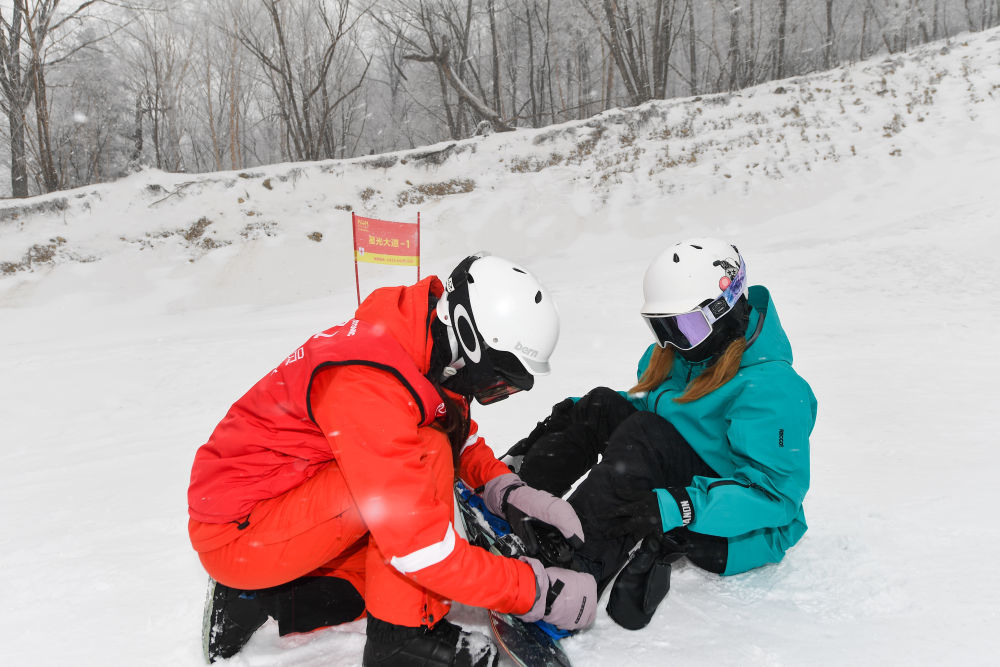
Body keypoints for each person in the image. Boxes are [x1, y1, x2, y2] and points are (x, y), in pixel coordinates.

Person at [187, 253, 597, 666]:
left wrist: (504, 488)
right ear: (470, 338)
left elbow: (452, 425)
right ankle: (401, 640)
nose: (496, 393)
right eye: (498, 380)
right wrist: (535, 592)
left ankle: (265, 594)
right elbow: (421, 549)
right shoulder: (367, 383)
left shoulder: (423, 342)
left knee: (377, 580)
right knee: (418, 492)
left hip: (278, 504)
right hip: (240, 532)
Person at [507, 238, 817, 630]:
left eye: (683, 327)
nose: (670, 342)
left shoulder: (773, 389)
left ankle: (572, 574)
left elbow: (775, 497)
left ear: (724, 309)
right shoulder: (690, 352)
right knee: (599, 405)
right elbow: (652, 408)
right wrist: (573, 416)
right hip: (684, 477)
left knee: (643, 439)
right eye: (661, 328)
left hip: (736, 524)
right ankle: (515, 498)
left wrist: (679, 506)